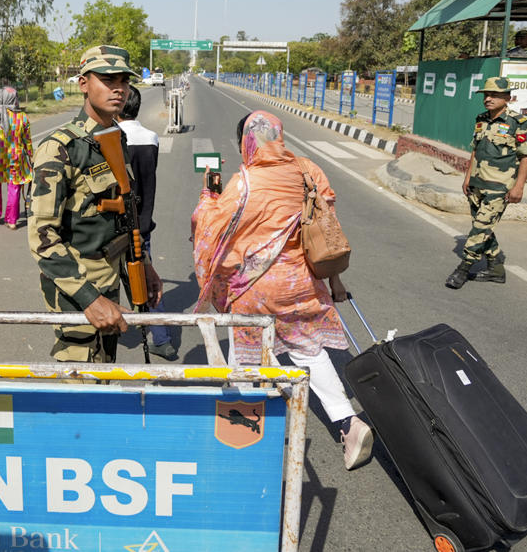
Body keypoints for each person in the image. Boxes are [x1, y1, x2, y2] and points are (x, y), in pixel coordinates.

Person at [191, 110, 373, 470]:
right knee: (309, 351)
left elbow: (208, 225)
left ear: (246, 143)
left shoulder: (244, 182)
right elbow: (328, 225)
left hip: (256, 290)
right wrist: (334, 281)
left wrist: (208, 193)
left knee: (247, 356)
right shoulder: (307, 170)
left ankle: (243, 437)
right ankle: (348, 423)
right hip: (302, 283)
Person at [28, 44, 163, 363]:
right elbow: (41, 237)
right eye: (108, 79)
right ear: (84, 83)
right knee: (81, 380)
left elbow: (124, 213)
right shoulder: (61, 148)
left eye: (124, 81)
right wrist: (90, 299)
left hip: (111, 279)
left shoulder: (116, 137)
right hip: (77, 291)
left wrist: (144, 263)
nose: (119, 88)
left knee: (104, 371)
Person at [445, 77, 527, 289]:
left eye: (494, 95)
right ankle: (496, 268)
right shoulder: (481, 119)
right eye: (486, 95)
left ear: (507, 98)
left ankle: (463, 268)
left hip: (499, 186)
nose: (488, 99)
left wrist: (519, 187)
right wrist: (468, 177)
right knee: (482, 226)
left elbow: (526, 157)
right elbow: (475, 149)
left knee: (481, 227)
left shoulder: (520, 123)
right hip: (477, 183)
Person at [117, 85, 178, 361]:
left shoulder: (110, 137)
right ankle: (162, 339)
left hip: (114, 225)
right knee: (147, 280)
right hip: (142, 223)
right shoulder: (151, 137)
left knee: (109, 281)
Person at [0, 86, 33, 230]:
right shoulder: (22, 116)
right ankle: (12, 220)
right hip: (16, 157)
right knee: (14, 187)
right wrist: (31, 156)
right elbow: (27, 140)